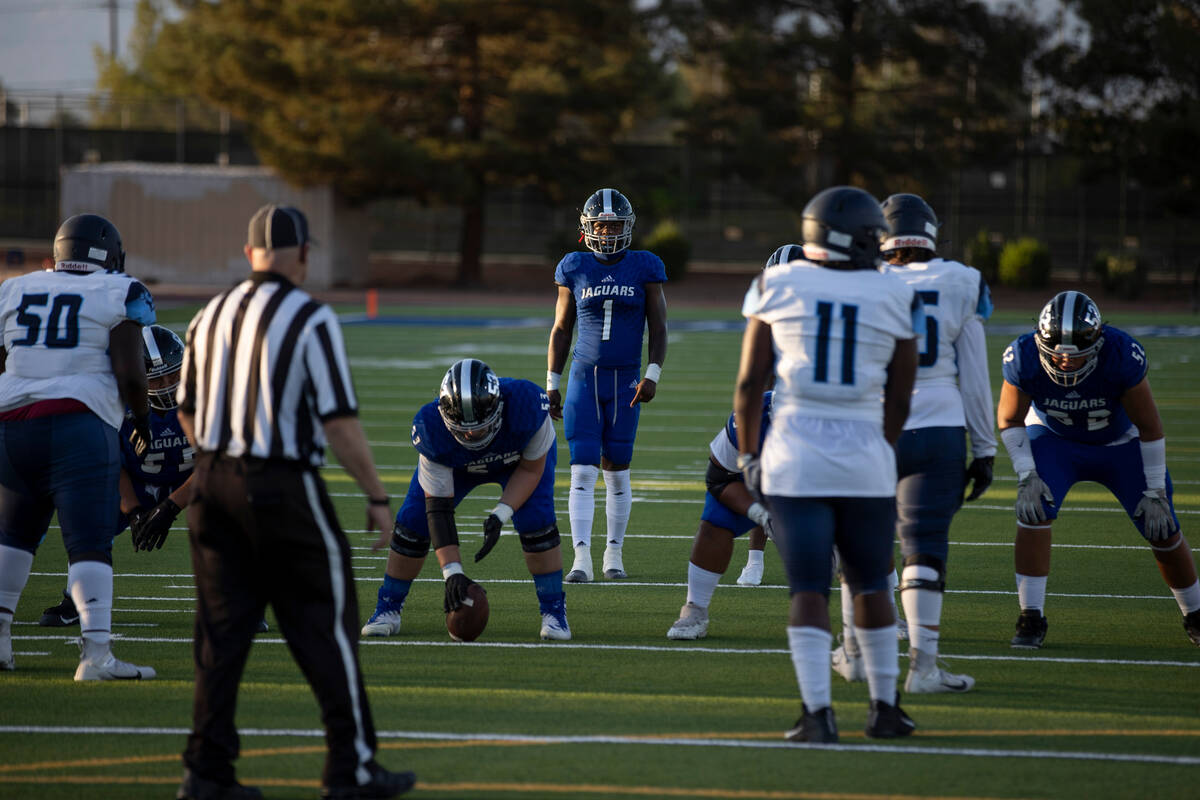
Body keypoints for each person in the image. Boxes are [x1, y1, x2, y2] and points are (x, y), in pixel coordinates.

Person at [175, 204, 414, 800]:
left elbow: (185, 409)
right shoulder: (310, 317)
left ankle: (205, 772)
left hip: (211, 484)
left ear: (248, 252)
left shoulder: (207, 316)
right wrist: (377, 495)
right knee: (327, 624)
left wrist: (217, 460)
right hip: (281, 485)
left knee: (220, 635)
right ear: (305, 253)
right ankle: (351, 767)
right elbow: (339, 423)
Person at [734, 186, 921, 743]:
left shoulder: (777, 282)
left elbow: (750, 383)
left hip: (795, 457)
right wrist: (881, 447)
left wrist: (748, 455)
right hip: (864, 454)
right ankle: (885, 709)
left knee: (808, 591)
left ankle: (818, 715)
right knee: (870, 585)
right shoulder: (892, 290)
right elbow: (901, 393)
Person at [832, 193, 996, 694]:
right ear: (930, 234)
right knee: (923, 547)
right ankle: (922, 666)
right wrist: (985, 448)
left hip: (872, 426)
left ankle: (854, 653)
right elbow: (974, 375)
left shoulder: (858, 280)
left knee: (860, 542)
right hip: (939, 428)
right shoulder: (962, 280)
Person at [0, 213, 157, 680]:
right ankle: (96, 655)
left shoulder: (14, 288)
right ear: (112, 255)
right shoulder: (120, 289)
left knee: (13, 536)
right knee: (89, 541)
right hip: (79, 423)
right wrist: (142, 419)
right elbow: (130, 372)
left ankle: (1, 642)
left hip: (12, 424)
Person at [998, 290, 1200, 649]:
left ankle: (1195, 613)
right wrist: (1026, 473)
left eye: (1075, 354)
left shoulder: (1120, 354)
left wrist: (1155, 489)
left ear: (1097, 343)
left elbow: (1150, 426)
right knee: (1033, 510)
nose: (1065, 361)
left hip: (1121, 443)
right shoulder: (1025, 355)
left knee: (1162, 526)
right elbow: (1010, 418)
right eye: (1056, 352)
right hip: (1054, 440)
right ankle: (1031, 616)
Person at [36, 325, 272, 626]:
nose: (167, 385)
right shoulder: (114, 401)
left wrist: (170, 507)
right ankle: (77, 598)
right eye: (157, 379)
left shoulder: (211, 398)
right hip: (136, 481)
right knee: (88, 511)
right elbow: (110, 462)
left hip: (194, 480)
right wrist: (133, 509)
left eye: (173, 375)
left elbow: (216, 465)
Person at [361, 358, 569, 641]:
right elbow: (438, 510)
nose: (471, 434)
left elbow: (531, 471)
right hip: (457, 465)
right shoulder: (432, 428)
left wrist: (500, 514)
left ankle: (554, 611)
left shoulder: (526, 406)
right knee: (413, 522)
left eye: (480, 427)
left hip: (517, 462)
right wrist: (452, 573)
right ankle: (388, 607)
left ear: (499, 409)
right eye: (463, 429)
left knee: (537, 519)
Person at [547, 188, 668, 582]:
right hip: (585, 377)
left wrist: (653, 374)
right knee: (582, 468)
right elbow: (561, 328)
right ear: (588, 227)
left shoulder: (645, 266)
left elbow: (659, 326)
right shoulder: (574, 265)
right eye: (602, 225)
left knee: (617, 468)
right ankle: (581, 559)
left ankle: (613, 555)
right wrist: (552, 381)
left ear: (628, 227)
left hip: (626, 379)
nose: (609, 232)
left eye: (615, 225)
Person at [667, 391, 775, 639]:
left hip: (822, 483)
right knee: (716, 521)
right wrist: (764, 516)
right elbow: (718, 480)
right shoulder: (752, 417)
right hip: (762, 479)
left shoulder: (837, 431)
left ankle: (864, 621)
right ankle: (695, 609)